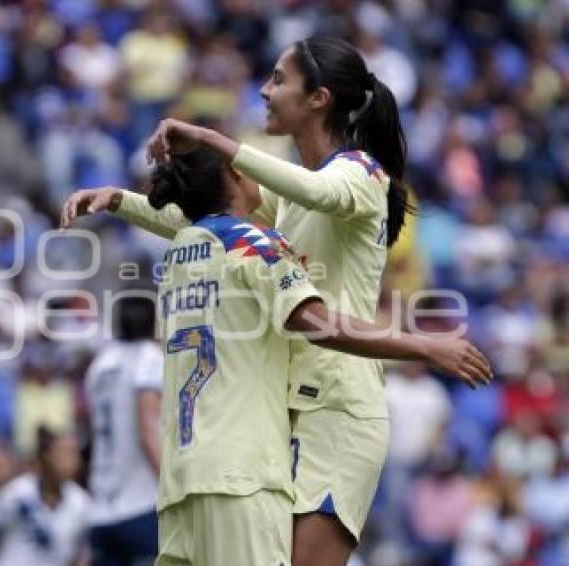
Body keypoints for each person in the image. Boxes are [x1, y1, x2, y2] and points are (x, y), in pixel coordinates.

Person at [61, 35, 416, 565]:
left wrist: (210, 137)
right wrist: (119, 201)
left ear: (318, 97)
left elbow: (318, 196)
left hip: (339, 411)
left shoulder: (361, 173)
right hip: (286, 412)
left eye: (278, 79)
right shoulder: (292, 196)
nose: (265, 90)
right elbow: (218, 223)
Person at [63, 147, 490, 565]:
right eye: (247, 166)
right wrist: (425, 346)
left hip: (180, 483)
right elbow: (318, 323)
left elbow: (186, 223)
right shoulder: (254, 244)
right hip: (241, 476)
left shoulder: (179, 253)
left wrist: (121, 201)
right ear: (233, 178)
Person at [85, 292, 162, 565]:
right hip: (141, 504)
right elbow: (147, 426)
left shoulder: (100, 364)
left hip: (101, 507)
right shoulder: (151, 359)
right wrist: (170, 484)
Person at [0, 426, 91, 566]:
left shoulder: (81, 503)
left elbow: (80, 554)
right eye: (64, 453)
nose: (73, 461)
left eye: (75, 454)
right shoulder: (16, 493)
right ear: (46, 456)